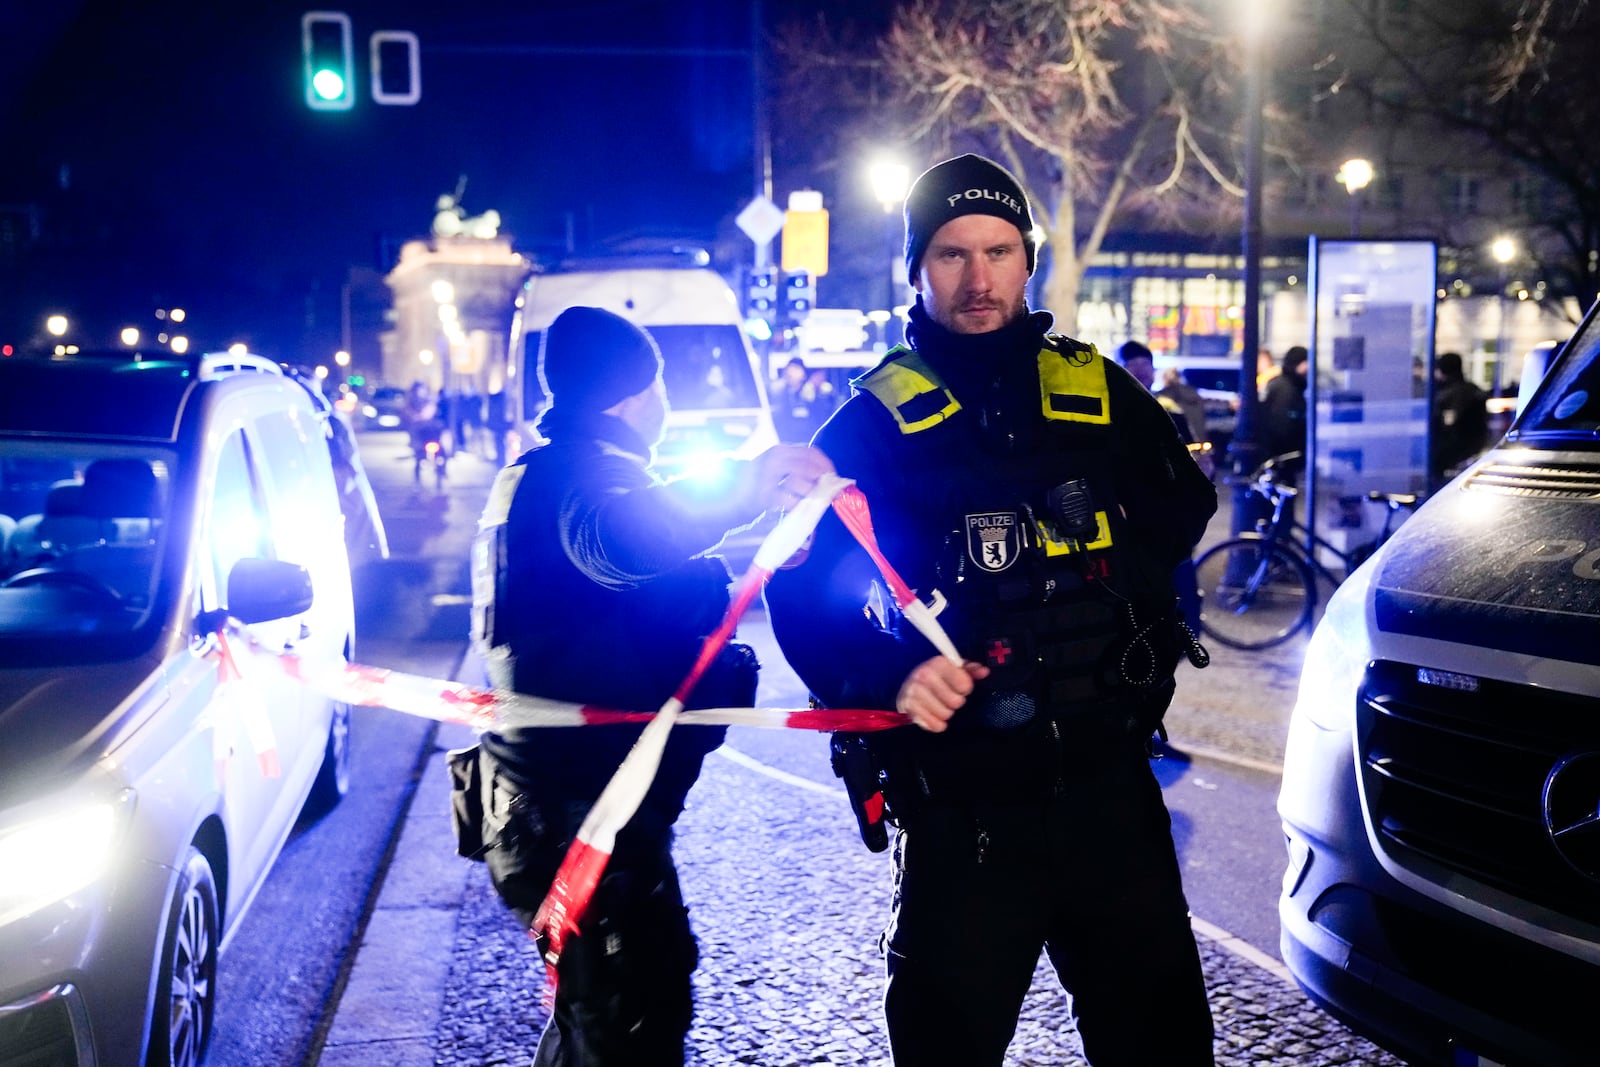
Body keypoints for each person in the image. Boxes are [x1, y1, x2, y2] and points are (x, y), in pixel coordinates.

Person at [765, 154, 1217, 1066]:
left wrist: (1108, 580)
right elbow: (797, 590)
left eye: (999, 251)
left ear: (1027, 259)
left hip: (1110, 795)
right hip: (962, 810)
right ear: (917, 269)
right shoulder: (870, 424)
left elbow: (1182, 508)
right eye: (951, 254)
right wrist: (891, 676)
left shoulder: (1096, 389)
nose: (979, 279)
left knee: (1165, 1048)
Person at [468, 305, 833, 1066]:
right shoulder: (587, 477)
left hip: (547, 802)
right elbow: (614, 544)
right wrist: (742, 487)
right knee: (632, 1019)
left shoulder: (543, 471)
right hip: (579, 812)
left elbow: (616, 582)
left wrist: (736, 555)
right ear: (635, 396)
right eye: (659, 385)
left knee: (592, 1019)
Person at [1117, 341, 1206, 636]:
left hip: (1169, 519)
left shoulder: (1170, 411)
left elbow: (1197, 458)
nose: (1141, 373)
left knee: (1179, 588)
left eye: (1146, 366)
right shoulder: (1105, 411)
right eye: (1133, 367)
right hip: (1126, 522)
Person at [1430, 350, 1490, 482]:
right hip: (1473, 444)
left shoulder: (1449, 393)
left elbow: (1449, 422)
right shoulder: (1472, 389)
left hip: (1455, 446)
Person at [1259, 344, 1308, 475]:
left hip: (1280, 454)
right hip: (1283, 454)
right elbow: (1282, 424)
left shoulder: (1285, 385)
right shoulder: (1286, 389)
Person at [769, 355, 837, 443]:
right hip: (787, 440)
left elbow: (821, 415)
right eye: (790, 369)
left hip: (808, 440)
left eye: (796, 369)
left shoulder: (813, 393)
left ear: (804, 374)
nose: (791, 372)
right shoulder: (780, 393)